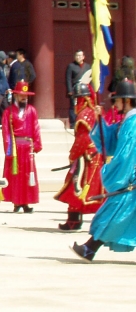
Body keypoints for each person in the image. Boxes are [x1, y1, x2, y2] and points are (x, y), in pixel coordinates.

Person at [73, 79, 136, 262]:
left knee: (114, 214)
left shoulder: (133, 124)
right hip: (130, 178)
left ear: (126, 100)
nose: (115, 104)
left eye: (117, 100)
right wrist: (100, 122)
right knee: (115, 215)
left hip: (130, 179)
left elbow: (126, 156)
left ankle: (90, 248)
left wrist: (114, 173)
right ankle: (89, 248)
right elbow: (111, 141)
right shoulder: (126, 122)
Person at [55, 82, 105, 231]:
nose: (76, 102)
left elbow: (82, 140)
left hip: (87, 158)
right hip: (97, 156)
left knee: (75, 187)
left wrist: (73, 155)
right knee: (96, 190)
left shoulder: (84, 115)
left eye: (78, 99)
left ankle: (74, 221)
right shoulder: (94, 112)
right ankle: (82, 220)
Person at [1, 81, 42, 213]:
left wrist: (36, 145)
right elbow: (6, 131)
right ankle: (16, 201)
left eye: (25, 95)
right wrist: (8, 148)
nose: (24, 98)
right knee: (16, 175)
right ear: (16, 96)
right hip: (15, 147)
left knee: (27, 175)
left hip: (28, 146)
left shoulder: (32, 110)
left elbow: (36, 128)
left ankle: (26, 202)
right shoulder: (8, 112)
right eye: (21, 95)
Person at [65, 50, 91, 129]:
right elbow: (68, 79)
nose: (78, 57)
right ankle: (73, 123)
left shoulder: (87, 66)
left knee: (85, 105)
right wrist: (70, 91)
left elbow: (90, 78)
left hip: (85, 90)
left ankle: (84, 121)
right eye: (77, 55)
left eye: (80, 55)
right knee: (73, 106)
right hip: (75, 89)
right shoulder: (71, 66)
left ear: (83, 57)